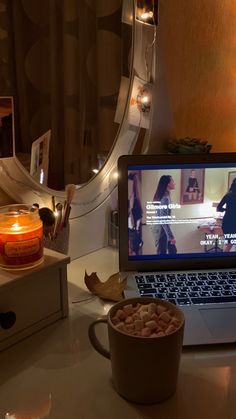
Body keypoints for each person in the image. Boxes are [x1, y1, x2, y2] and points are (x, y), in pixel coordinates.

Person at [152, 175, 177, 254]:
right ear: (168, 184)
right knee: (165, 254)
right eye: (172, 181)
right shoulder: (165, 198)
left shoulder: (167, 196)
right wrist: (171, 237)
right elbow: (163, 220)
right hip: (162, 231)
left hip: (163, 230)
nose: (174, 183)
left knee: (169, 252)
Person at [217, 178, 236, 252]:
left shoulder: (227, 195)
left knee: (229, 242)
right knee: (230, 243)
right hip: (234, 222)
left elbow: (219, 208)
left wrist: (227, 210)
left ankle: (224, 257)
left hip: (227, 221)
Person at [128, 172, 143, 255]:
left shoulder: (135, 245)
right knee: (135, 195)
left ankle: (134, 178)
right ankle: (134, 178)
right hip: (134, 225)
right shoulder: (136, 245)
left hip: (133, 226)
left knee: (135, 195)